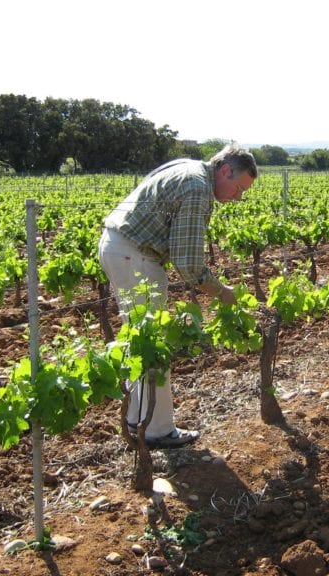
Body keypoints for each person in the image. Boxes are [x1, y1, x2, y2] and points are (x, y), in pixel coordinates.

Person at [98, 144, 257, 447]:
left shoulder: (188, 166)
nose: (237, 198)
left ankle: (136, 418)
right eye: (238, 189)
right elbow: (188, 263)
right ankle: (156, 429)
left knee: (140, 339)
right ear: (225, 171)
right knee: (154, 343)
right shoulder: (198, 188)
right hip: (135, 256)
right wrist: (222, 293)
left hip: (119, 246)